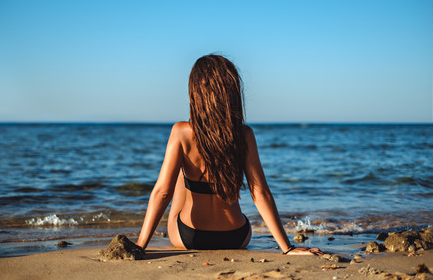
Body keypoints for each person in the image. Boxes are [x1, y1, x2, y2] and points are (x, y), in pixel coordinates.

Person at [136, 54, 322, 255]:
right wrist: (287, 248)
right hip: (236, 237)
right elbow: (260, 193)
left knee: (182, 170)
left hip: (191, 236)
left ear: (196, 93)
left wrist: (139, 246)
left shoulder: (181, 132)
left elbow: (162, 192)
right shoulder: (244, 134)